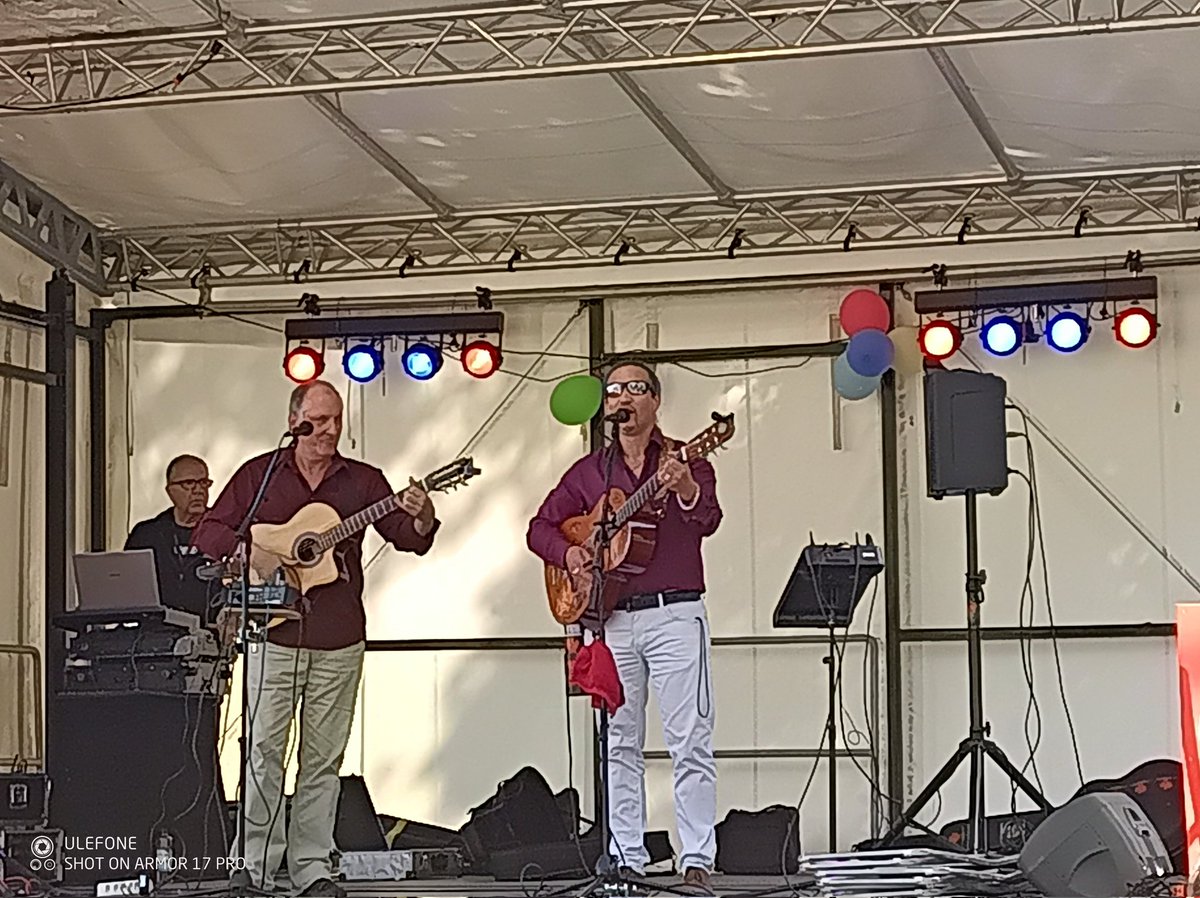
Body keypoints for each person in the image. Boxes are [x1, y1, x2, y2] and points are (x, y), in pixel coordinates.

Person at [191, 380, 439, 898]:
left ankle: (311, 869)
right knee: (263, 751)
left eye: (336, 420)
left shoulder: (364, 481)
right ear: (295, 422)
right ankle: (254, 868)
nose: (330, 430)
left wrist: (422, 512)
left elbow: (409, 537)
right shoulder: (260, 475)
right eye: (320, 421)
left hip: (338, 637)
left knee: (322, 760)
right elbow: (210, 529)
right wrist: (248, 554)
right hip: (273, 635)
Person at [527, 362, 722, 896]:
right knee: (618, 742)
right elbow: (538, 529)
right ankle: (626, 857)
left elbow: (707, 519)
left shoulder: (688, 459)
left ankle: (697, 859)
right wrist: (571, 553)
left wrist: (683, 489)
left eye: (635, 388)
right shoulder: (589, 472)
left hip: (676, 613)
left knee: (690, 739)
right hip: (610, 620)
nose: (623, 398)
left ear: (655, 401)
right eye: (614, 391)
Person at [125, 454, 215, 624]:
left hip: (211, 632)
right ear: (170, 490)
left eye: (204, 483)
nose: (198, 490)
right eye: (189, 483)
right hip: (155, 632)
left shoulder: (223, 530)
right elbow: (126, 587)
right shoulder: (147, 534)